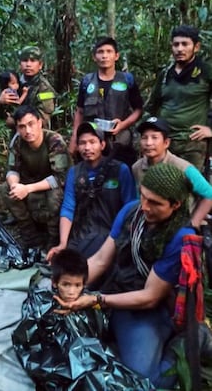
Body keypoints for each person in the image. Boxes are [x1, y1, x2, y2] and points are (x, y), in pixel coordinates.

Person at [53, 163, 199, 388]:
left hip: (148, 308)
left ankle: (186, 344)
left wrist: (96, 300)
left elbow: (150, 296)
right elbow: (101, 260)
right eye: (143, 197)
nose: (145, 206)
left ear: (175, 205)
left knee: (144, 381)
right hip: (118, 290)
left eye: (155, 203)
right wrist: (69, 286)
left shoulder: (180, 238)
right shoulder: (132, 211)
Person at [12, 248, 152, 389]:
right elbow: (29, 343)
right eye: (66, 284)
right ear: (55, 282)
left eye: (77, 285)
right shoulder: (42, 305)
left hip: (91, 357)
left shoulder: (90, 302)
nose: (72, 291)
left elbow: (100, 330)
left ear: (84, 284)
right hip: (63, 362)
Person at [47, 121, 136, 263]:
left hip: (111, 235)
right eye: (82, 143)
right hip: (82, 234)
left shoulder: (120, 170)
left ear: (102, 145)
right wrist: (63, 243)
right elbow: (68, 208)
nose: (87, 147)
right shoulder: (74, 172)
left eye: (92, 142)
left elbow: (130, 207)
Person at [0, 105, 71, 250]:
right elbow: (12, 170)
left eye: (31, 124)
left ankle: (53, 239)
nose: (27, 131)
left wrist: (27, 188)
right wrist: (14, 186)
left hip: (50, 185)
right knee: (5, 189)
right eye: (22, 127)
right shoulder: (18, 142)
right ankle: (30, 235)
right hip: (29, 182)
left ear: (39, 122)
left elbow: (60, 178)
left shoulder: (54, 140)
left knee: (56, 195)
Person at [69, 36, 144, 166]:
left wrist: (123, 124)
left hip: (120, 142)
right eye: (100, 52)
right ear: (94, 57)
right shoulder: (87, 82)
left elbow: (138, 110)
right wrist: (75, 137)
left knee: (120, 177)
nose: (104, 56)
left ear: (116, 56)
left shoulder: (127, 80)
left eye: (109, 51)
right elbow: (80, 111)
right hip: (92, 142)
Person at [145, 25, 212, 170]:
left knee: (189, 187)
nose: (180, 49)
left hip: (192, 143)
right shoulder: (165, 74)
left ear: (196, 47)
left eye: (185, 44)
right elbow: (152, 106)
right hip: (164, 142)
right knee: (159, 185)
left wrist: (210, 129)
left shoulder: (206, 72)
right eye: (176, 44)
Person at [133, 116, 212, 228]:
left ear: (166, 143)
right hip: (151, 224)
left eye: (154, 137)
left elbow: (209, 195)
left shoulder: (182, 167)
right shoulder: (137, 167)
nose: (148, 143)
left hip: (179, 226)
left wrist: (193, 223)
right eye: (144, 138)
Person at [0, 46, 56, 128]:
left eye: (33, 61)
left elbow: (43, 121)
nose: (28, 64)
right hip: (17, 136)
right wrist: (0, 103)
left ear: (40, 65)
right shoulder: (14, 82)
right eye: (25, 60)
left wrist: (15, 121)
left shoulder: (45, 89)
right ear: (20, 64)